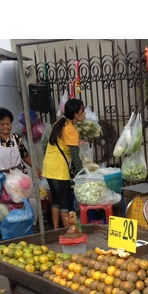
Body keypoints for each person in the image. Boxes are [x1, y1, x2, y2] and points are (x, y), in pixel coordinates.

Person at [42, 98, 86, 229]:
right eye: (82, 111)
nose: (84, 114)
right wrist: (82, 174)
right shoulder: (71, 130)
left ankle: (56, 229)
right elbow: (75, 157)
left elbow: (60, 143)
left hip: (48, 166)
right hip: (59, 169)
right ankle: (68, 232)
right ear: (75, 114)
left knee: (56, 200)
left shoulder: (60, 123)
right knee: (65, 202)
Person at [0, 107, 40, 178]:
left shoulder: (16, 138)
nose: (5, 127)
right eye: (2, 124)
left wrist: (36, 169)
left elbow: (25, 155)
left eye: (8, 124)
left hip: (17, 175)